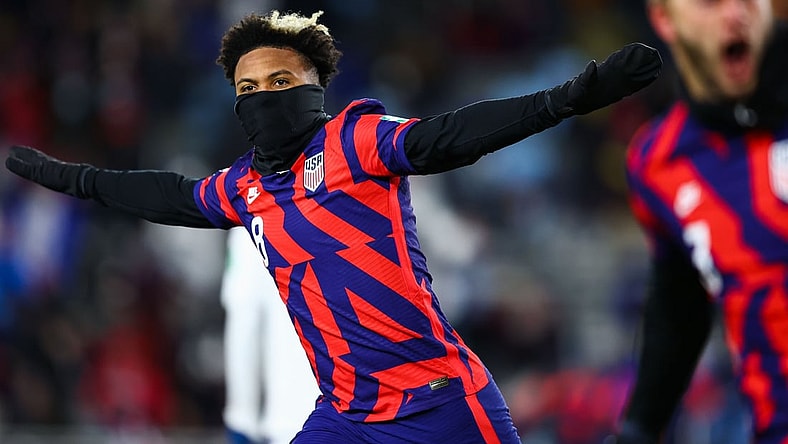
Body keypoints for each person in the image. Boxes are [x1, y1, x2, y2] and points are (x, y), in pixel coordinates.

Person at [5, 9, 661, 443]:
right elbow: (171, 196)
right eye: (247, 86)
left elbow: (449, 137)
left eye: (281, 80)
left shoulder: (359, 141)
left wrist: (569, 98)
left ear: (316, 90)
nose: (263, 97)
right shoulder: (246, 186)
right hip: (347, 416)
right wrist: (79, 179)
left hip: (439, 404)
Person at [615, 0, 788, 442]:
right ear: (663, 19)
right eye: (711, 2)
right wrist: (638, 429)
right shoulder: (658, 162)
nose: (736, 13)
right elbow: (681, 298)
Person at [221, 226, 319, 444]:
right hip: (368, 417)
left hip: (292, 421)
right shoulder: (376, 205)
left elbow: (244, 326)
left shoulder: (252, 223)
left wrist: (241, 419)